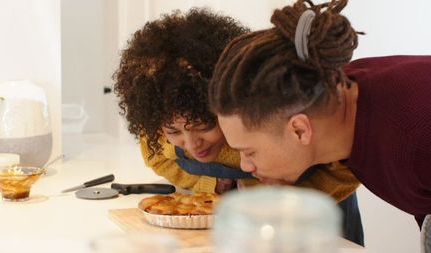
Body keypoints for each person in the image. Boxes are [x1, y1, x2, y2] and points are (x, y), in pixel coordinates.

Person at [113, 8, 364, 245]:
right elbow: (158, 158)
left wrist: (275, 197)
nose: (191, 144)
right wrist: (211, 187)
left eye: (203, 125)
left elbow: (346, 168)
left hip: (315, 220)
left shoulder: (265, 118)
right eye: (174, 132)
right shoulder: (161, 124)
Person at [208, 0, 431, 247]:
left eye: (249, 151)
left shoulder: (414, 136)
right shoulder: (341, 97)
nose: (245, 165)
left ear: (299, 130)